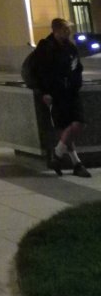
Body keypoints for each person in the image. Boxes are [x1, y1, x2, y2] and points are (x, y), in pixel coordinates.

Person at [32, 17, 91, 177]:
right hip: (56, 93)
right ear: (56, 30)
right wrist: (44, 92)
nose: (69, 32)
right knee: (65, 127)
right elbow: (40, 72)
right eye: (65, 29)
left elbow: (77, 67)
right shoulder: (46, 47)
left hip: (71, 91)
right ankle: (76, 164)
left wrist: (76, 81)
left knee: (79, 123)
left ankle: (57, 155)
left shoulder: (70, 47)